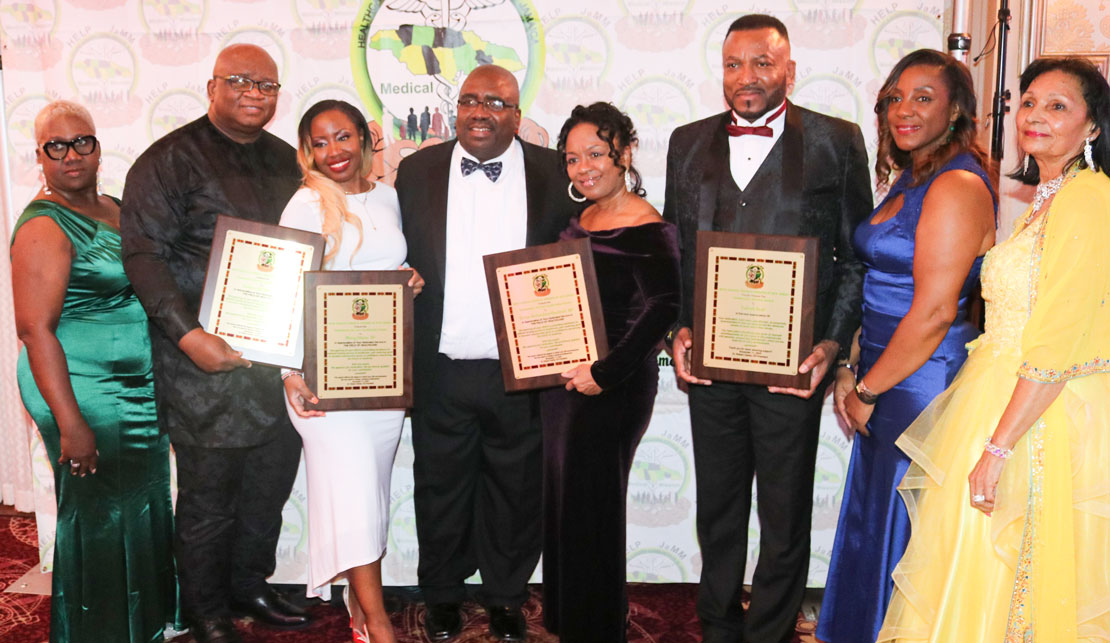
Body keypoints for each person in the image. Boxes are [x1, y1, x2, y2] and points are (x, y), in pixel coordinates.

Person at [876, 57, 1110, 642]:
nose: (1035, 116)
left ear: (1094, 128)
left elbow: (1059, 338)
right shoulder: (1045, 201)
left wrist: (999, 447)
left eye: (1058, 106)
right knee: (977, 577)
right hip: (999, 398)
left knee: (1021, 583)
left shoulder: (1089, 200)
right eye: (1028, 102)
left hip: (1041, 421)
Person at [663, 14, 872, 643]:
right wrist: (676, 327)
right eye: (733, 64)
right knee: (718, 511)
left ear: (789, 70)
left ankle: (772, 632)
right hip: (711, 366)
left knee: (785, 514)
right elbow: (676, 248)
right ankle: (719, 628)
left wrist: (832, 346)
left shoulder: (838, 139)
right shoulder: (687, 140)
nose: (746, 77)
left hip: (792, 368)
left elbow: (855, 255)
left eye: (761, 63)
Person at [120, 44, 307, 643]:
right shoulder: (168, 161)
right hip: (202, 364)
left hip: (276, 364)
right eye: (241, 81)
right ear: (211, 87)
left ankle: (249, 584)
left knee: (268, 487)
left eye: (268, 85)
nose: (255, 92)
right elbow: (143, 256)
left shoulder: (290, 161)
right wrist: (189, 335)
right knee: (208, 500)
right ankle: (206, 611)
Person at [816, 50, 997, 643]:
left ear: (956, 110)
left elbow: (936, 309)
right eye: (895, 97)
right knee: (877, 523)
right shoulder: (910, 176)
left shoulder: (959, 182)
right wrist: (850, 368)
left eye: (923, 97)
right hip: (885, 372)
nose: (904, 109)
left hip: (921, 384)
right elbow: (879, 287)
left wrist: (869, 386)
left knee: (904, 531)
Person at [394, 63, 578, 642]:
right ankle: (442, 595)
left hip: (522, 370)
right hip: (440, 366)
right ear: (455, 109)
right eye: (470, 100)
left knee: (516, 489)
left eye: (496, 103)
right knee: (439, 487)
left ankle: (505, 597)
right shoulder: (416, 170)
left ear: (518, 115)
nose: (481, 111)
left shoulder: (555, 172)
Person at [11, 100, 179, 643]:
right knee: (102, 513)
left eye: (81, 141)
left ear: (98, 145)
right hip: (81, 389)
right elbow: (35, 329)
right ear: (40, 156)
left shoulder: (115, 205)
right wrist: (72, 422)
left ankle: (145, 623)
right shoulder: (44, 225)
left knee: (143, 500)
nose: (71, 155)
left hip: (135, 384)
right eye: (55, 147)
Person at [278, 99, 424, 643]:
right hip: (321, 384)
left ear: (365, 140)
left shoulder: (390, 197)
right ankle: (380, 622)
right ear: (307, 151)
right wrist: (290, 374)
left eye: (343, 137)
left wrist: (409, 280)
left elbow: (391, 269)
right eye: (320, 142)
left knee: (370, 492)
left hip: (382, 378)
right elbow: (287, 295)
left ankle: (359, 610)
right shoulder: (304, 206)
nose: (333, 151)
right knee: (357, 491)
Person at [540, 102, 680, 642]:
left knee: (592, 511)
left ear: (624, 153)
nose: (583, 168)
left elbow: (663, 308)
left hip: (611, 389)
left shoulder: (648, 226)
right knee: (567, 507)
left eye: (595, 154)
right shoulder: (581, 219)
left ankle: (596, 629)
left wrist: (604, 373)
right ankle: (573, 619)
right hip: (564, 388)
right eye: (573, 159)